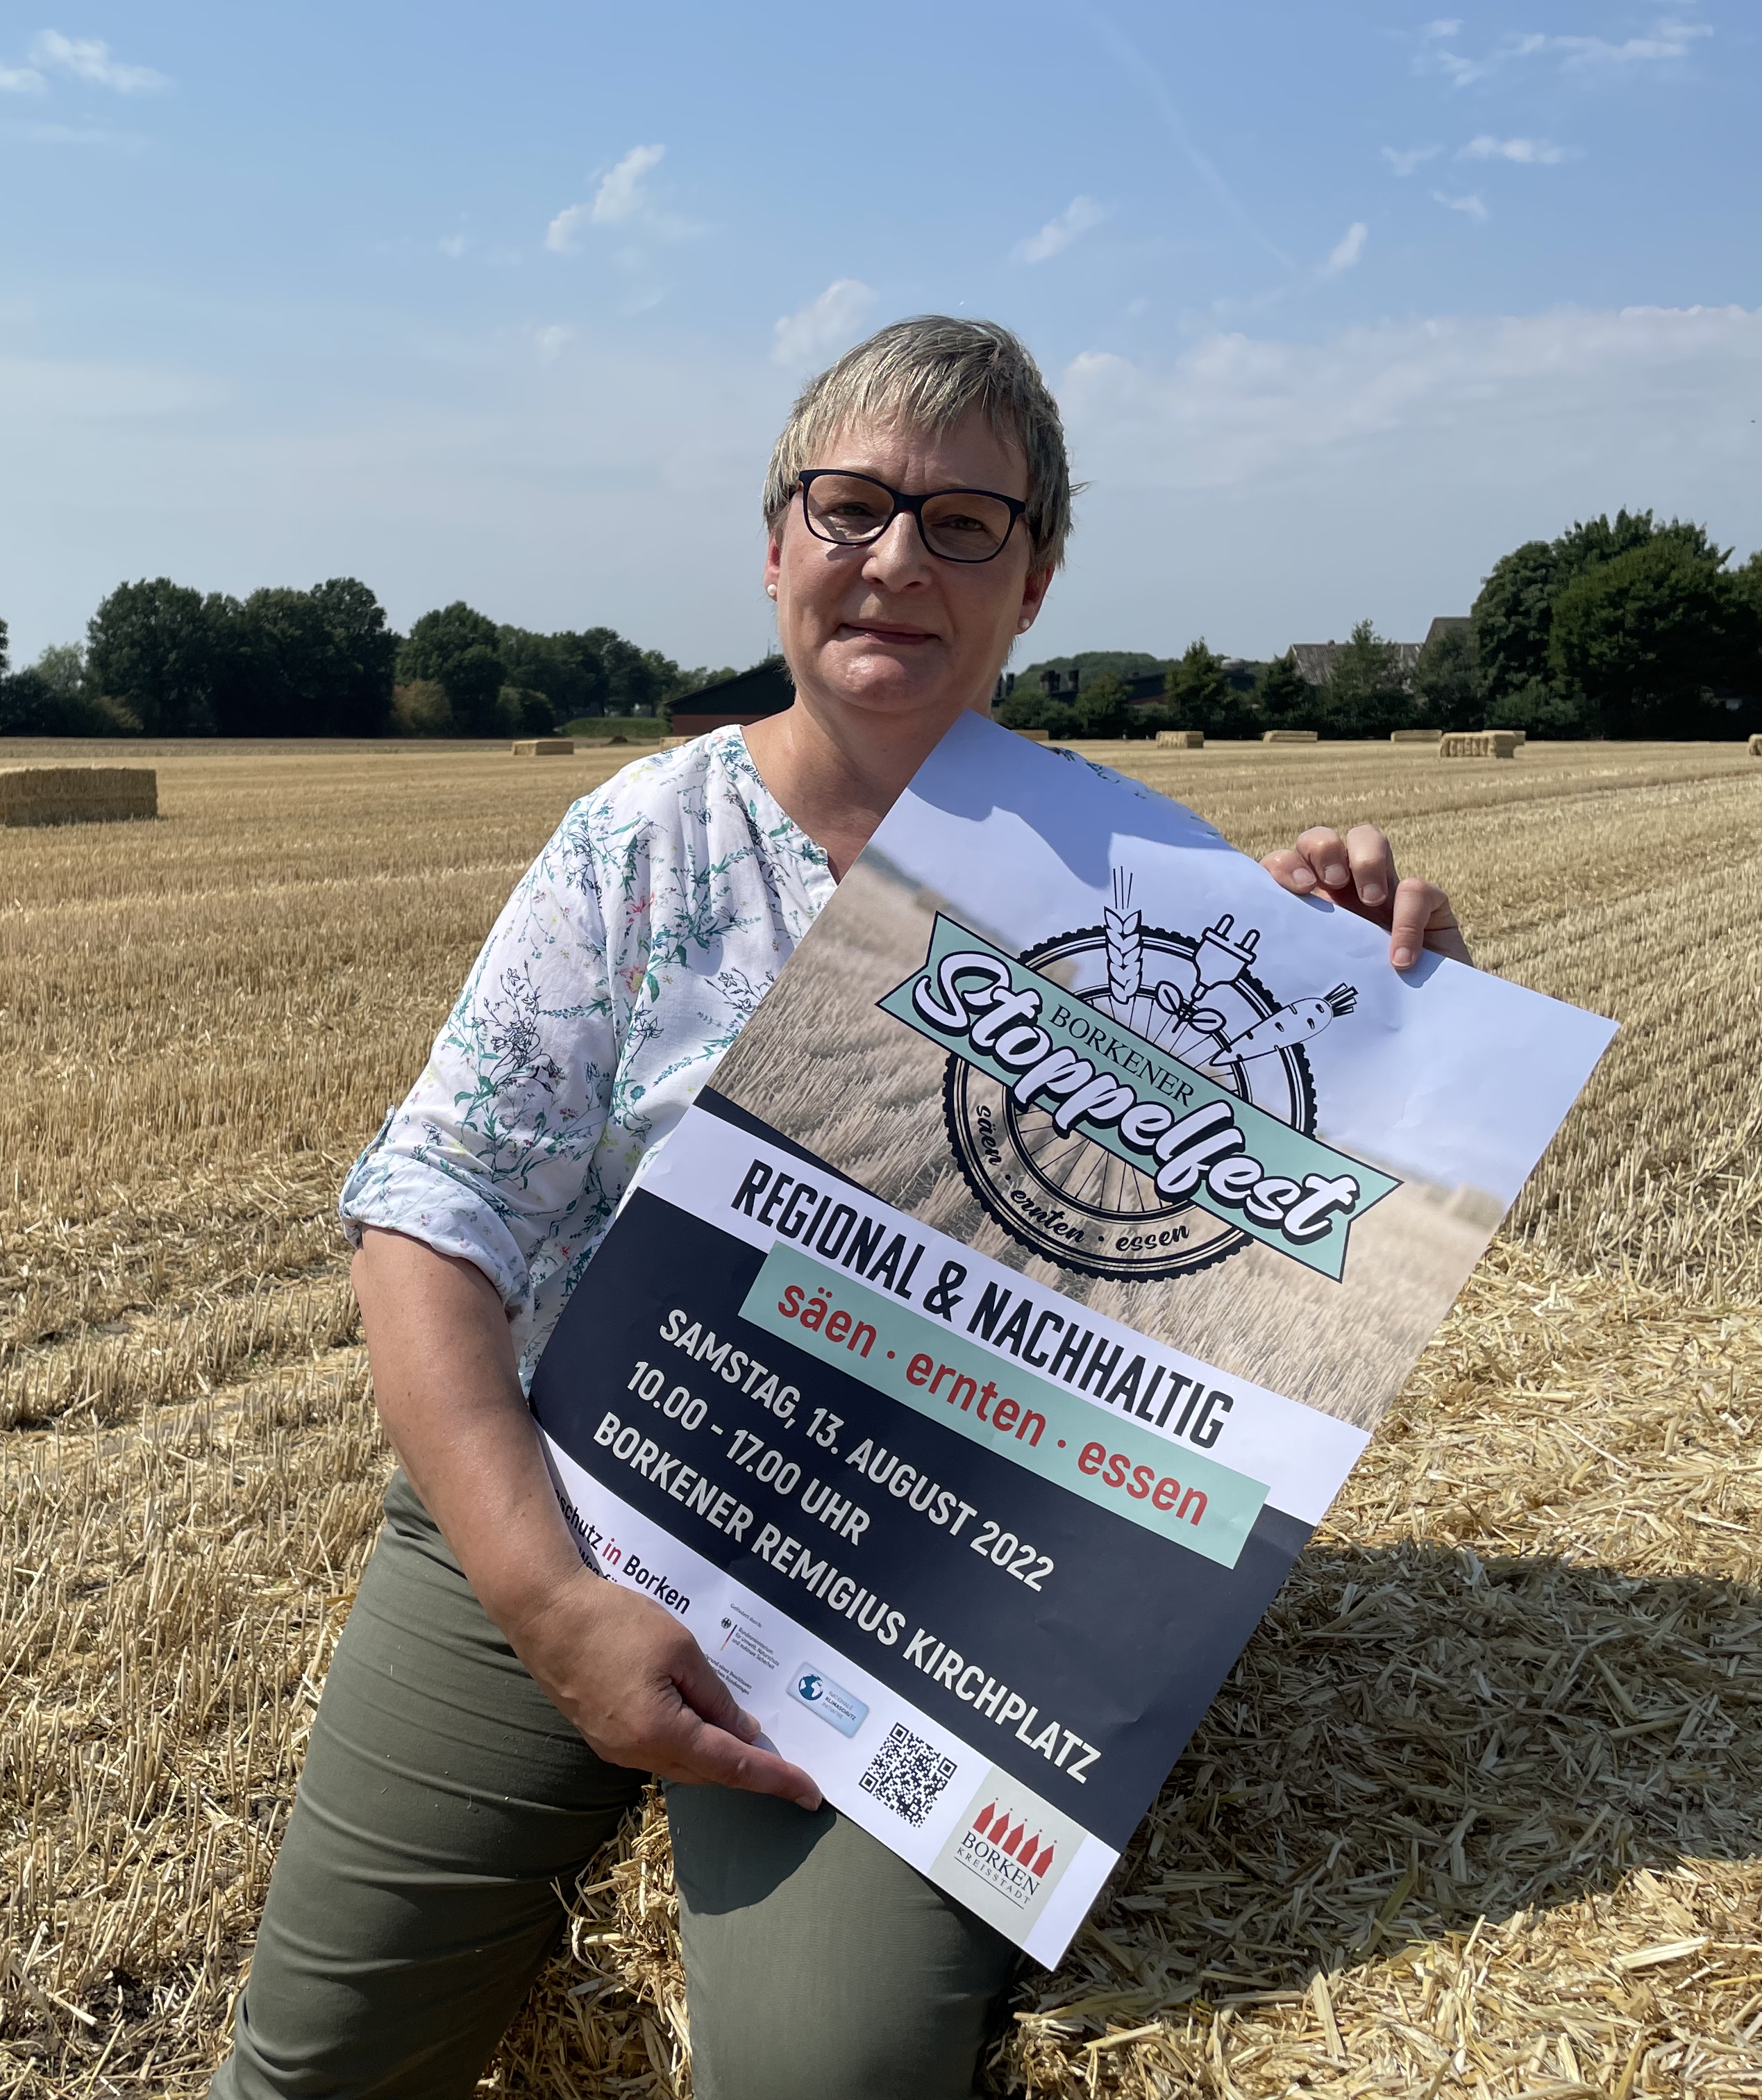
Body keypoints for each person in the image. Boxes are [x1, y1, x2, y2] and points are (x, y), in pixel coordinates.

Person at [210, 316, 1469, 2099]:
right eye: (854, 505)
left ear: (1034, 581)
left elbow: (1259, 1257)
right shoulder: (639, 840)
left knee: (836, 2076)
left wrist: (1384, 997)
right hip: (566, 1488)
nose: (897, 559)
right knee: (318, 2064)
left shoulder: (1159, 898)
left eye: (966, 523)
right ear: (778, 543)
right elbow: (436, 1214)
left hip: (917, 1577)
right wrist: (548, 1599)